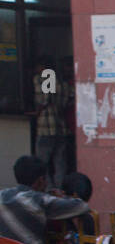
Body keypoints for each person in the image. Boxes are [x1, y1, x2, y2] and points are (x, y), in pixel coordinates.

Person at [0, 155, 90, 244]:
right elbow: (82, 206)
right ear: (41, 180)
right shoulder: (38, 200)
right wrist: (61, 197)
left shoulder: (2, 195)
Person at [31, 55, 69, 189]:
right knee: (60, 162)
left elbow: (44, 99)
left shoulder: (42, 78)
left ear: (42, 66)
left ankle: (48, 189)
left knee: (42, 163)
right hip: (61, 126)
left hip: (46, 126)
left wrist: (37, 112)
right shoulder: (62, 82)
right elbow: (65, 102)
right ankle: (60, 188)